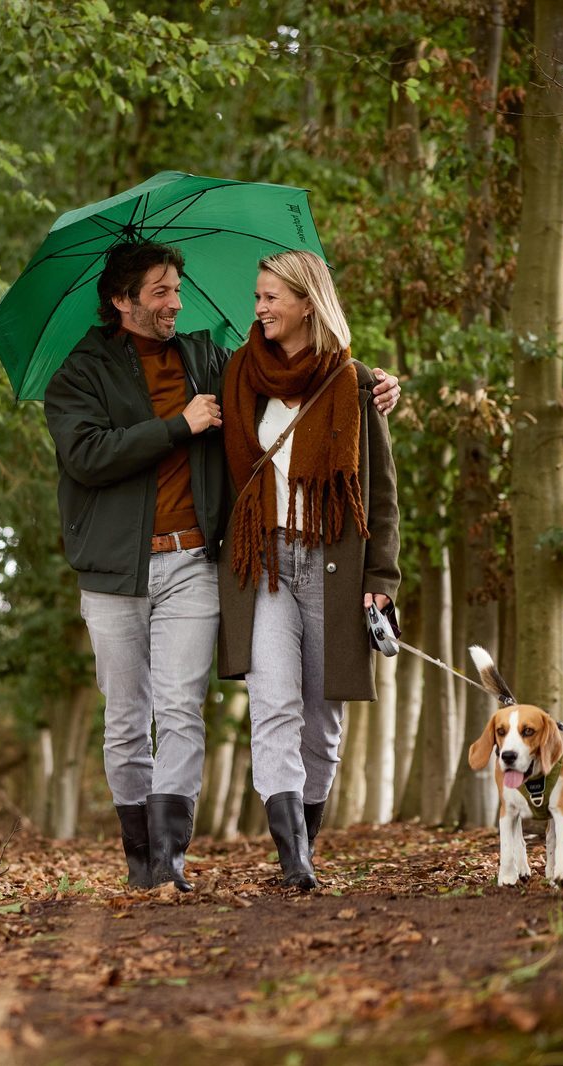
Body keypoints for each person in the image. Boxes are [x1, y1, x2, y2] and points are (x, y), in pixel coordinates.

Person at [43, 241, 398, 892]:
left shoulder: (207, 358)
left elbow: (304, 372)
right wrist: (177, 426)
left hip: (209, 562)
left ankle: (183, 861)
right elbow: (86, 457)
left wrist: (374, 380)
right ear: (122, 301)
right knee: (139, 717)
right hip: (140, 568)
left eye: (178, 288)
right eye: (160, 292)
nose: (176, 301)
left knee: (199, 710)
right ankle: (151, 860)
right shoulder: (80, 374)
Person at [216, 249, 401, 891]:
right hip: (262, 562)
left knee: (323, 720)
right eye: (258, 296)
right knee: (273, 705)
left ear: (306, 303)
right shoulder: (238, 374)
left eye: (272, 296)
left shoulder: (353, 382)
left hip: (332, 565)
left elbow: (380, 498)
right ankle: (292, 859)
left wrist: (382, 583)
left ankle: (308, 838)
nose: (260, 307)